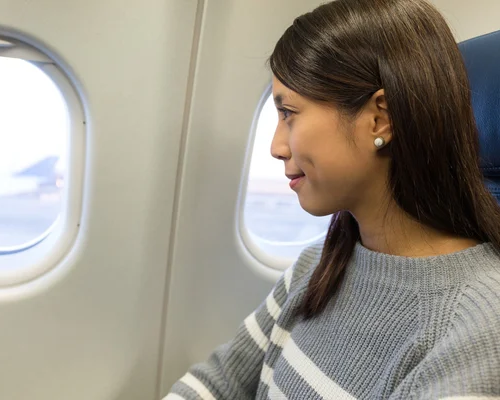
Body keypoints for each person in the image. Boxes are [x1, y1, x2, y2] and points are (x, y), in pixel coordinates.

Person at [164, 0, 500, 399]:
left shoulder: (476, 321)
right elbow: (217, 383)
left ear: (380, 119)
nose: (276, 146)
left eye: (289, 112)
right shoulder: (318, 266)